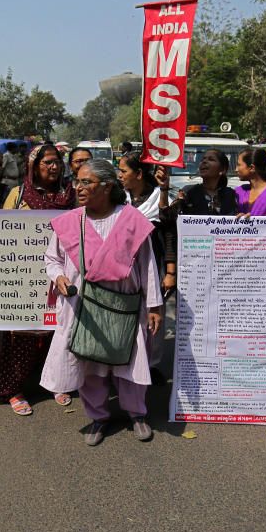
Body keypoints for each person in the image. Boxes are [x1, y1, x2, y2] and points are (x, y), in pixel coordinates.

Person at [41, 159, 162, 446]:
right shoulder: (71, 222)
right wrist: (58, 278)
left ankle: (137, 414)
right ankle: (98, 416)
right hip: (83, 305)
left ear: (107, 186)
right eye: (77, 181)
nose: (78, 187)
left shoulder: (131, 220)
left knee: (130, 360)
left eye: (86, 182)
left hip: (125, 304)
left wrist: (154, 306)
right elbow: (52, 259)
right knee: (89, 362)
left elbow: (147, 265)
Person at [0, 144, 75, 415]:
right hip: (24, 277)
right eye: (48, 163)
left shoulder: (72, 194)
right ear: (34, 166)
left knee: (60, 332)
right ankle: (13, 389)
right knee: (23, 334)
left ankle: (57, 381)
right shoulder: (18, 196)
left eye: (57, 162)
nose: (54, 167)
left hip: (62, 275)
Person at [158, 149, 239, 293]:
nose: (204, 162)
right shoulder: (188, 193)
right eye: (203, 159)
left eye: (211, 159)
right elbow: (167, 220)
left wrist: (244, 219)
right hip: (193, 267)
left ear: (223, 170)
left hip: (224, 269)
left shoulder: (231, 195)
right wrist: (164, 189)